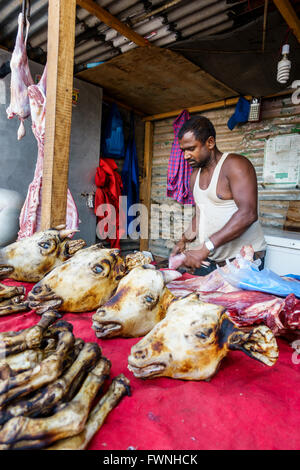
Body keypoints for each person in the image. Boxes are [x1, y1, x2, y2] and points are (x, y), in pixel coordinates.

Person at [170, 115, 266, 275]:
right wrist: (183, 240)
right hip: (211, 259)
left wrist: (206, 247)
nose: (186, 156)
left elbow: (248, 214)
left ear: (210, 143)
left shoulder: (236, 165)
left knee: (238, 300)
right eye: (183, 150)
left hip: (244, 259)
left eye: (191, 148)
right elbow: (201, 214)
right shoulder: (194, 175)